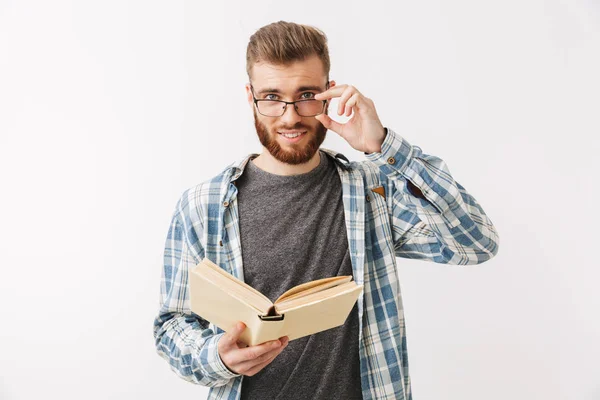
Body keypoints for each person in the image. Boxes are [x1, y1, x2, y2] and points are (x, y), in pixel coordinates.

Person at [153, 20, 499, 400]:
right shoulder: (202, 205)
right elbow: (172, 326)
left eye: (306, 95)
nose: (289, 116)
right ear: (250, 96)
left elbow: (476, 244)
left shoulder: (373, 193)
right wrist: (215, 357)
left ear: (330, 92)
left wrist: (382, 146)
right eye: (271, 96)